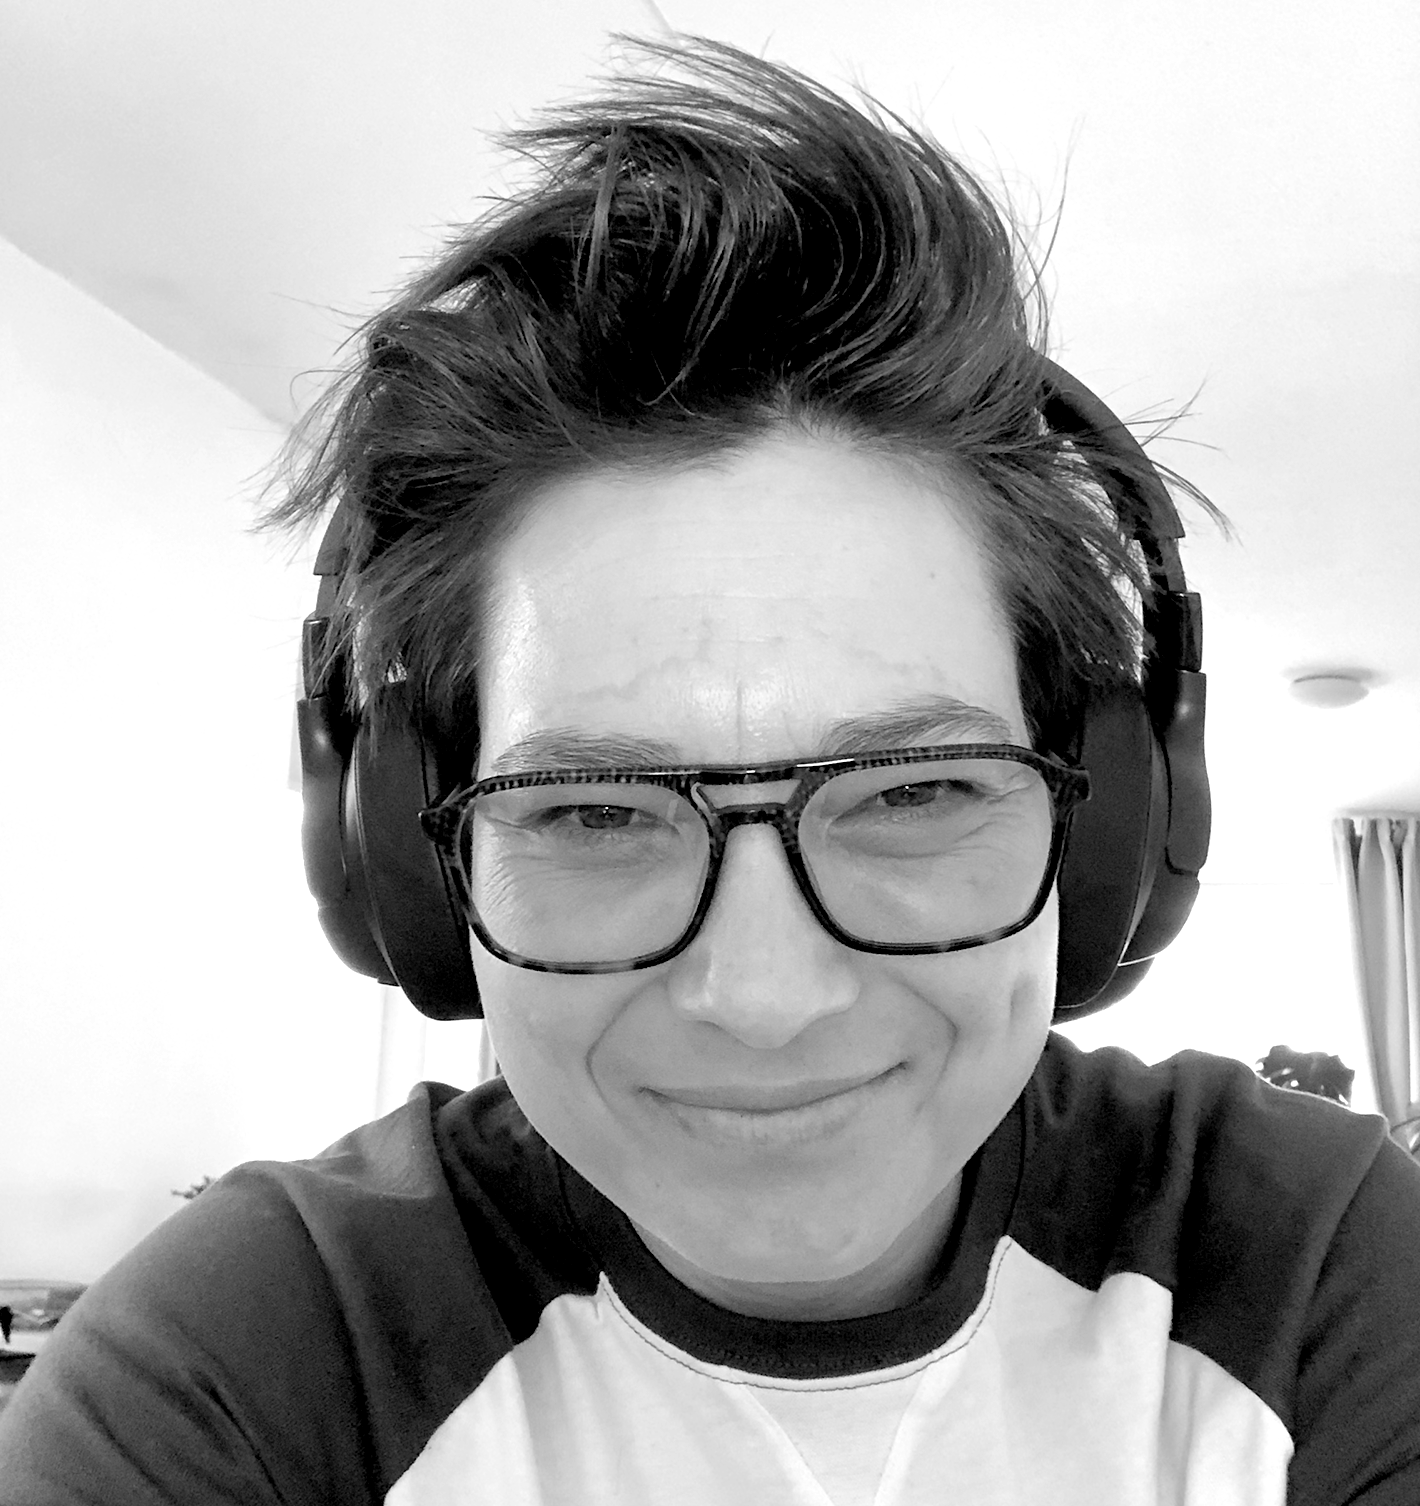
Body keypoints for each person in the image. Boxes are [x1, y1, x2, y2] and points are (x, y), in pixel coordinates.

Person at [3, 36, 1418, 1506]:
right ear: (417, 871)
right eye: (593, 811)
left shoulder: (1329, 1270)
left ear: (1108, 826)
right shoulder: (238, 1367)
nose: (763, 997)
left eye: (917, 790)